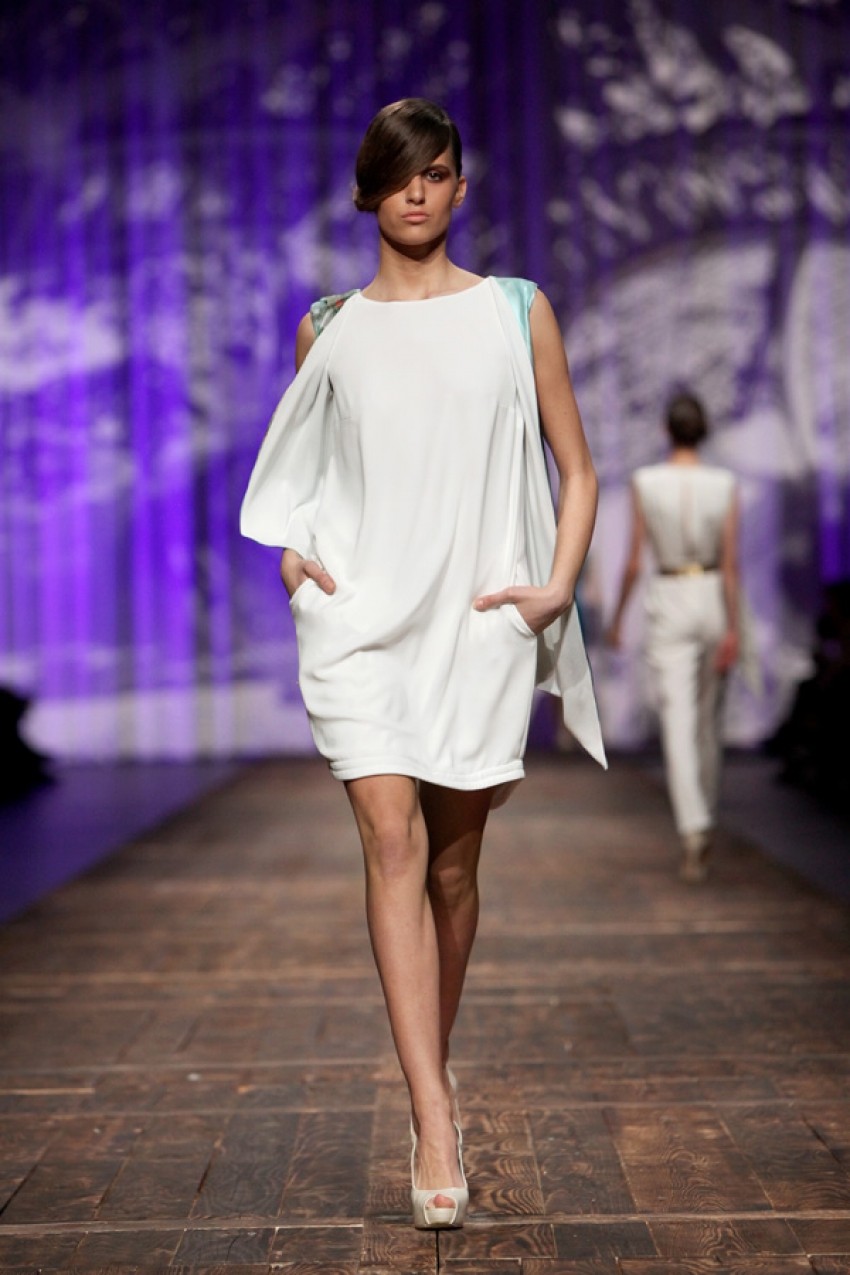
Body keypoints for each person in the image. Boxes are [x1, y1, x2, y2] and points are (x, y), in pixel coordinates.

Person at [241, 98, 605, 1229]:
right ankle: (434, 1116)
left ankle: (426, 1069)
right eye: (399, 173)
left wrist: (555, 587)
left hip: (475, 622)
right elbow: (303, 475)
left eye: (435, 172)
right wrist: (295, 558)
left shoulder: (516, 311)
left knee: (451, 870)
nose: (416, 190)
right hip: (360, 622)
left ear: (458, 188)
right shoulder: (327, 326)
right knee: (390, 842)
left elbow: (577, 465)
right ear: (369, 190)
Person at [605, 392, 740, 883]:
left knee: (679, 723)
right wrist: (735, 628)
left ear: (666, 430)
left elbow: (634, 561)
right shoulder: (723, 484)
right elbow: (731, 565)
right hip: (711, 595)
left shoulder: (646, 481)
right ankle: (704, 814)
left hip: (668, 597)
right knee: (707, 723)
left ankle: (693, 826)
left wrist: (618, 618)